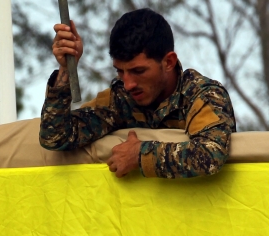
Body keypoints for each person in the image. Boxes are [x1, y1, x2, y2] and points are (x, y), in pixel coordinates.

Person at [40, 9, 236, 179]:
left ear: (168, 62)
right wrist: (66, 69)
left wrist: (140, 155)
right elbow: (56, 137)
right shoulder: (120, 99)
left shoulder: (202, 95)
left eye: (138, 71)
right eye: (120, 71)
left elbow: (211, 155)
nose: (128, 84)